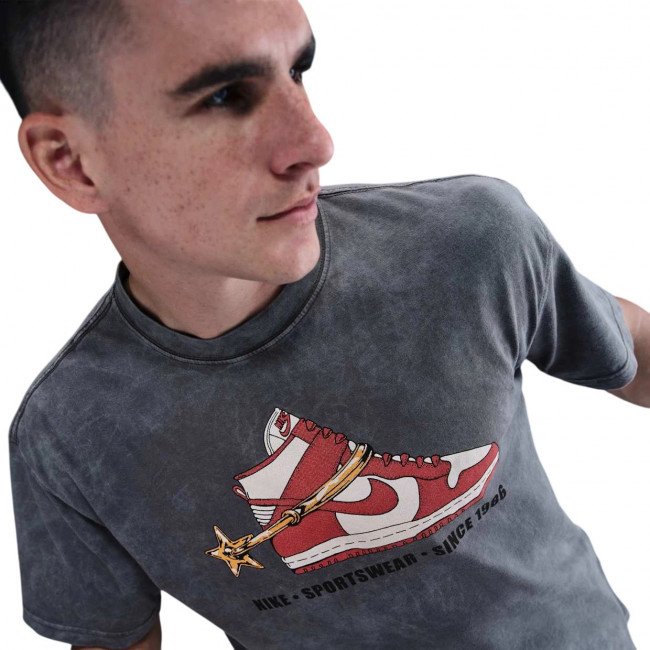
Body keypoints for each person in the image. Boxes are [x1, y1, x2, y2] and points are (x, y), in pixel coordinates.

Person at [2, 1, 649, 649]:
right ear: (70, 161)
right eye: (225, 96)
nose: (316, 143)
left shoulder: (468, 242)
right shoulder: (69, 433)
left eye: (297, 71)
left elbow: (629, 345)